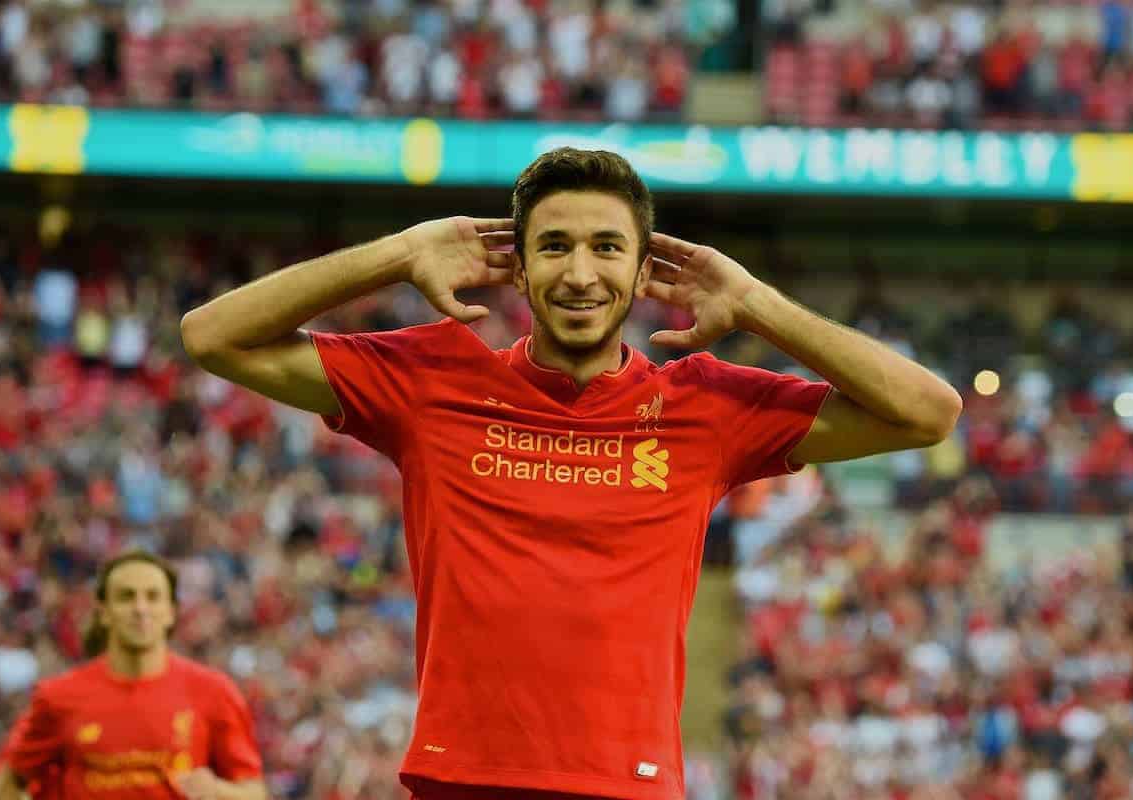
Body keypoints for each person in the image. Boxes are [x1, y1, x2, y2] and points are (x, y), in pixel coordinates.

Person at [180, 147, 962, 800]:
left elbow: (927, 411)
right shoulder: (432, 380)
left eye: (607, 247)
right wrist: (398, 254)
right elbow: (213, 336)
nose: (579, 272)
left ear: (641, 270)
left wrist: (757, 304)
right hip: (462, 779)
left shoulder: (704, 403)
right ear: (517, 271)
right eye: (553, 246)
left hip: (631, 783)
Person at [0, 552, 265, 800]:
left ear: (171, 611)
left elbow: (255, 792)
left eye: (152, 597)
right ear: (104, 611)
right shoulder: (57, 698)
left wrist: (217, 791)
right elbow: (7, 782)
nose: (140, 608)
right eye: (126, 597)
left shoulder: (214, 692)